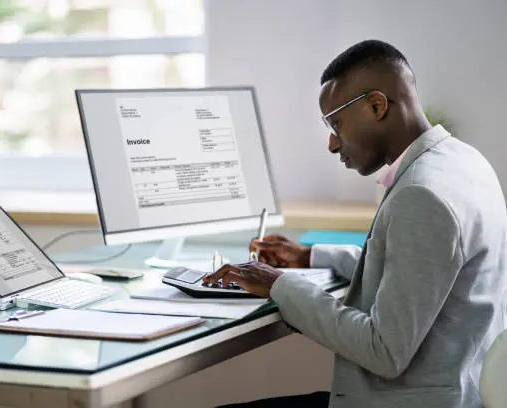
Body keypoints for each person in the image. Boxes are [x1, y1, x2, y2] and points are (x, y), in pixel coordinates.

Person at [205, 39, 507, 408]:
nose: (333, 143)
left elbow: (383, 351)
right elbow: (412, 270)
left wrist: (281, 285)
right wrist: (310, 257)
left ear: (376, 106)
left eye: (336, 124)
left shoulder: (422, 194)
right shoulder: (463, 161)